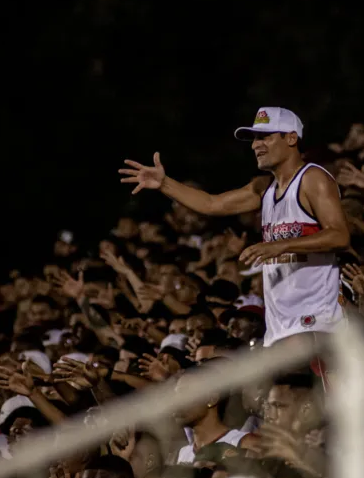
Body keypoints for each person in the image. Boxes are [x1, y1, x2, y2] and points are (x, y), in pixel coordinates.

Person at [120, 107, 350, 347]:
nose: (255, 145)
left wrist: (280, 246)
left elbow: (340, 235)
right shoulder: (263, 188)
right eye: (254, 139)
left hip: (317, 323)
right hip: (281, 327)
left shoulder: (313, 178)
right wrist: (165, 184)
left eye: (265, 137)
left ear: (291, 138)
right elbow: (211, 204)